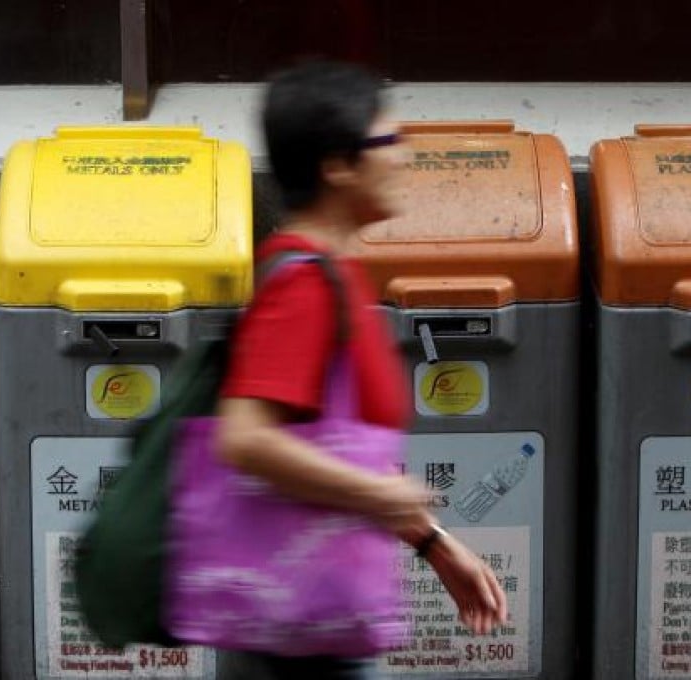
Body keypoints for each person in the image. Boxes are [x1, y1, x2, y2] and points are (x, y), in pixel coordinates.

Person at [214, 60, 508, 679]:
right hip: (304, 629)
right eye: (387, 142)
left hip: (323, 612)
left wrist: (432, 542)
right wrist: (380, 494)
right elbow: (246, 437)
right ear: (337, 166)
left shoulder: (335, 276)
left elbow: (338, 441)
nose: (403, 158)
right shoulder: (304, 283)